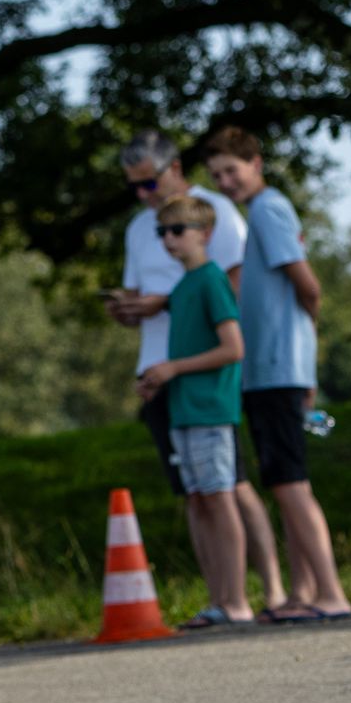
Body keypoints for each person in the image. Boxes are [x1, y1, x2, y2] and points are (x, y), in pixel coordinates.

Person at [103, 130, 285, 615]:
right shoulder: (141, 229)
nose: (145, 198)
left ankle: (267, 593)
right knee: (195, 491)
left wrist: (175, 302)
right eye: (135, 188)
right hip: (161, 368)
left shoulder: (212, 215)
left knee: (231, 486)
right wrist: (131, 309)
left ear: (176, 169)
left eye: (151, 183)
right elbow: (140, 288)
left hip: (203, 375)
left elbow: (232, 287)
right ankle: (221, 597)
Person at [202, 127, 351, 622]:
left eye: (232, 170)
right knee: (285, 480)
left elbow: (307, 286)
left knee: (292, 483)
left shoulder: (267, 210)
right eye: (217, 175)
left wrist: (302, 350)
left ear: (255, 163)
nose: (226, 182)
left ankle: (330, 593)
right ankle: (303, 593)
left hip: (277, 367)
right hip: (267, 369)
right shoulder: (261, 214)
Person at [133, 198, 252, 625]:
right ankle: (218, 598)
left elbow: (233, 348)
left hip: (210, 408)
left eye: (178, 229)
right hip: (182, 408)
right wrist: (157, 377)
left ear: (205, 233)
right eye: (162, 232)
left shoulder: (210, 281)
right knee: (198, 501)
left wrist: (174, 368)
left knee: (220, 498)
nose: (169, 239)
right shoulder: (182, 289)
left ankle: (236, 600)